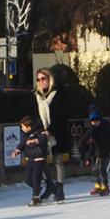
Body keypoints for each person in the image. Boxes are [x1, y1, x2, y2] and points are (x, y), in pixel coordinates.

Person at [34, 68, 70, 202]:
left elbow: (62, 115)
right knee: (40, 161)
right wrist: (38, 130)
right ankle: (50, 185)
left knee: (58, 160)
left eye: (44, 78)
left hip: (57, 131)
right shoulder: (37, 95)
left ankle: (60, 188)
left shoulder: (58, 94)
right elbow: (36, 116)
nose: (41, 81)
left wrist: (51, 129)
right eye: (38, 79)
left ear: (50, 79)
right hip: (42, 133)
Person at [13, 116, 50, 206]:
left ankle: (36, 197)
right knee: (28, 179)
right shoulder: (25, 135)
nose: (22, 129)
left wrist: (35, 141)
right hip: (30, 159)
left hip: (39, 158)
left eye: (23, 127)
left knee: (35, 178)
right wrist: (18, 150)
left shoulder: (39, 131)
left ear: (29, 127)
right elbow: (22, 143)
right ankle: (38, 189)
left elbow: (44, 139)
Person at [78, 108, 110, 195]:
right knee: (94, 170)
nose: (95, 123)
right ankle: (98, 185)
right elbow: (82, 141)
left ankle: (105, 186)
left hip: (105, 151)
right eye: (93, 121)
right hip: (95, 152)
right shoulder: (92, 130)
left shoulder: (106, 126)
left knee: (102, 169)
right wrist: (82, 154)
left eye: (97, 120)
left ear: (100, 119)